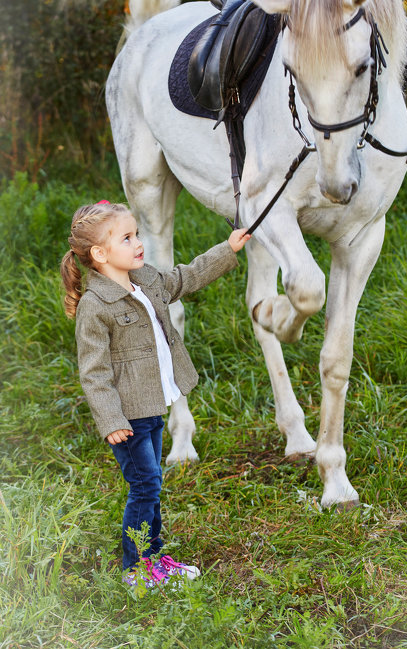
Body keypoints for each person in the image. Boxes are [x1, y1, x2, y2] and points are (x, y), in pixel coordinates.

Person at [60, 200, 250, 588]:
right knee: (145, 485)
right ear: (99, 254)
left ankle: (156, 559)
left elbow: (185, 278)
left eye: (137, 234)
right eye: (127, 238)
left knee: (152, 483)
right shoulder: (96, 306)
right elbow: (94, 373)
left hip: (151, 404)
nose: (138, 243)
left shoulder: (145, 280)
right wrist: (111, 421)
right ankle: (137, 569)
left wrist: (227, 248)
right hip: (127, 417)